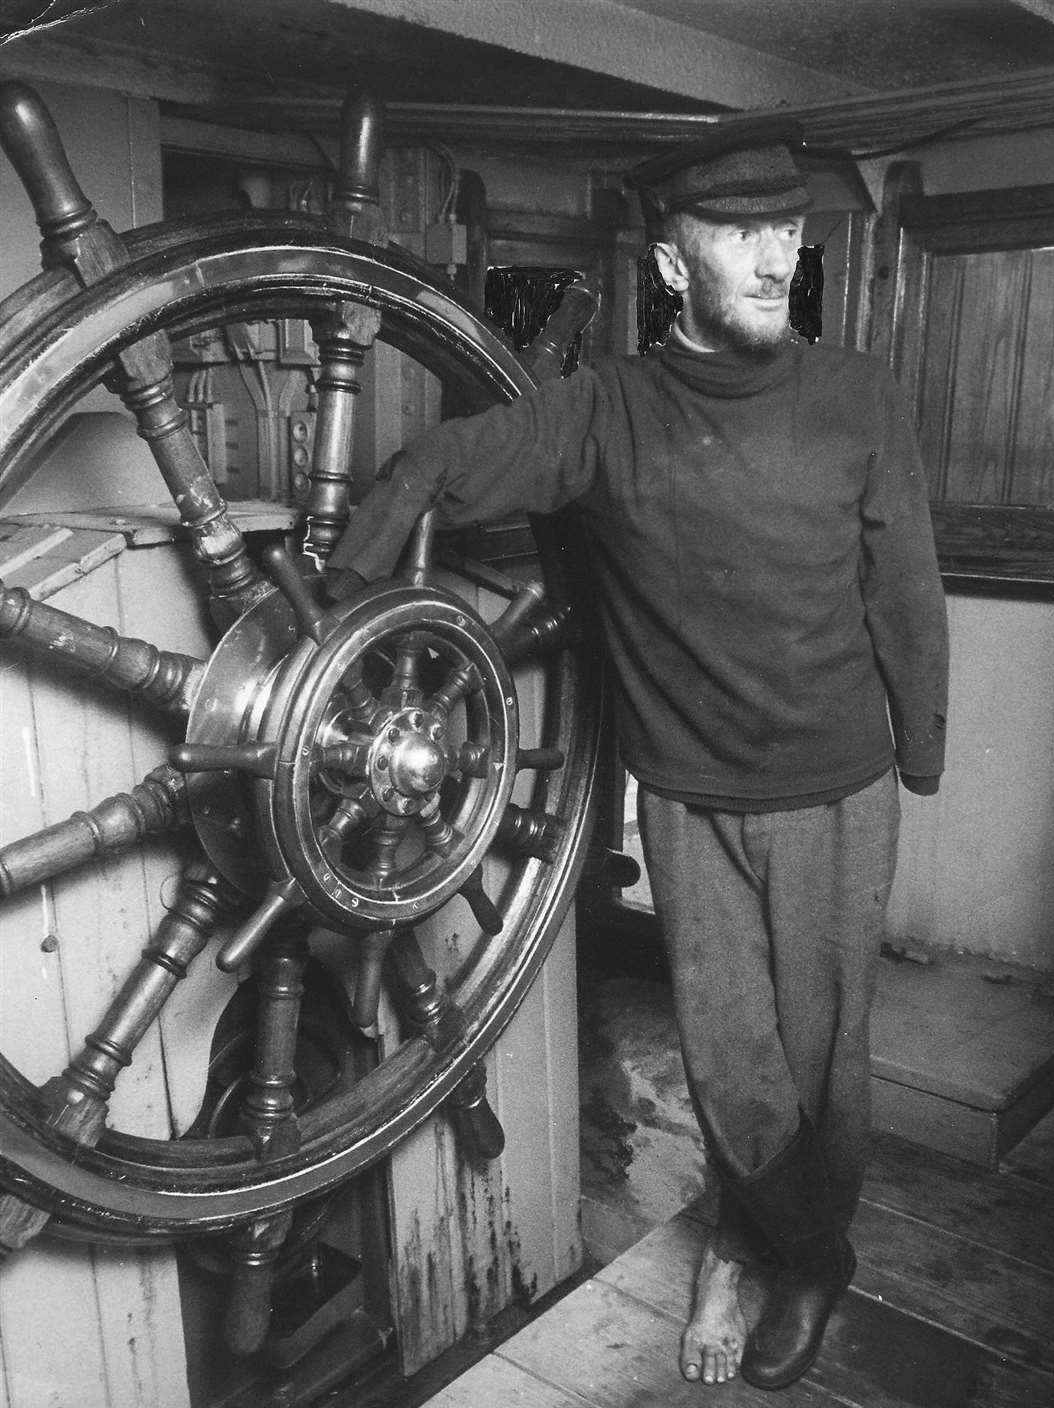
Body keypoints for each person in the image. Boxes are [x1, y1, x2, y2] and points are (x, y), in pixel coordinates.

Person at [325, 116, 949, 1391]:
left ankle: (775, 1250)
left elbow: (907, 590)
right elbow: (459, 460)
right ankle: (786, 1245)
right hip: (689, 794)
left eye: (788, 229)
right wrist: (350, 567)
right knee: (730, 1059)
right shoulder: (607, 410)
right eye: (741, 234)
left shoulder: (859, 398)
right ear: (673, 265)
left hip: (838, 787)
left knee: (826, 1053)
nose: (778, 255)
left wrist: (921, 747)